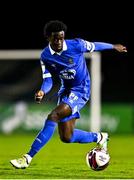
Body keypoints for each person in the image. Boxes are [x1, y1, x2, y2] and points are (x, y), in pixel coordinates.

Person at [10, 20, 127, 169]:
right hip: (65, 91)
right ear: (48, 37)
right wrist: (42, 91)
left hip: (81, 89)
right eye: (55, 38)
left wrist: (113, 47)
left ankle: (27, 158)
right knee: (67, 137)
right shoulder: (45, 56)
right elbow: (48, 80)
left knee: (53, 116)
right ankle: (99, 137)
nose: (59, 41)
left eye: (61, 37)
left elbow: (94, 45)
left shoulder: (76, 45)